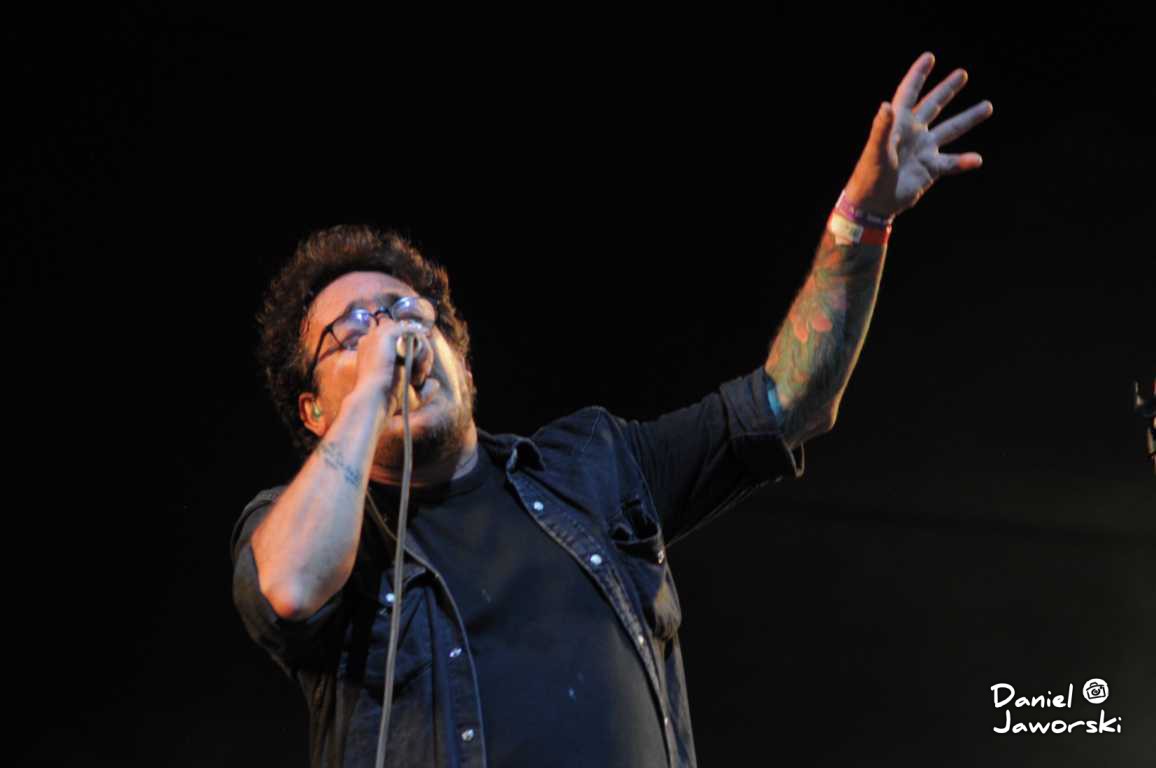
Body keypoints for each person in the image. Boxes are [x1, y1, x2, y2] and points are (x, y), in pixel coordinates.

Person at [231, 51, 993, 768]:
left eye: (405, 313)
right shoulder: (301, 530)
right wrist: (373, 389)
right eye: (351, 332)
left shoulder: (594, 467)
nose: (391, 336)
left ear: (458, 358)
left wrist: (862, 221)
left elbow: (787, 404)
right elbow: (290, 591)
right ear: (315, 411)